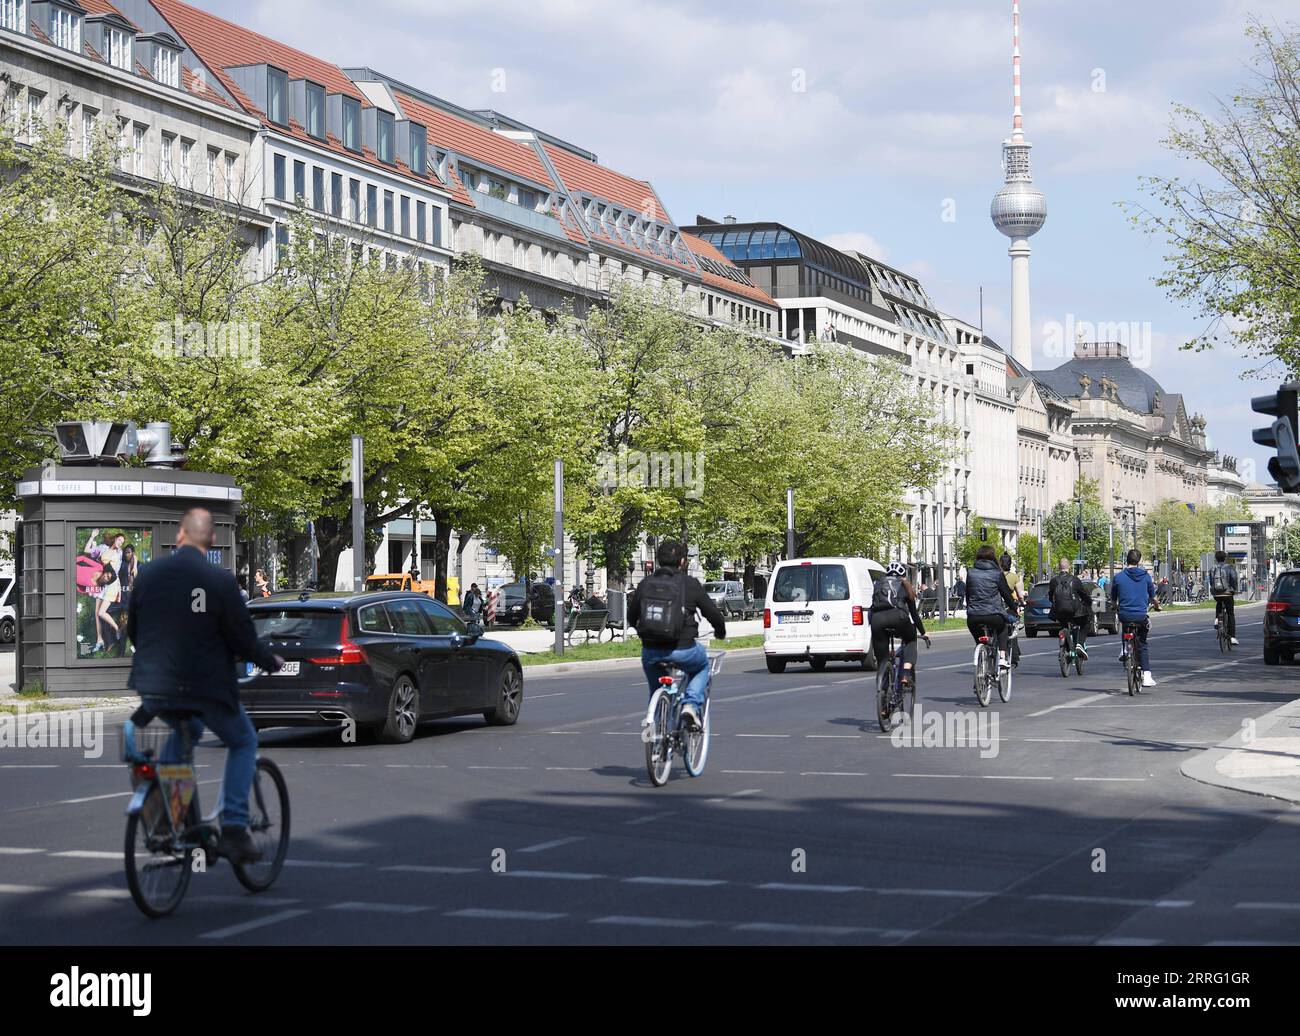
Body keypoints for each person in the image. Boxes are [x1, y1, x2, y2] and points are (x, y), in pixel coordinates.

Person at [126, 508, 284, 864]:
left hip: (155, 686)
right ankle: (233, 828)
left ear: (180, 536)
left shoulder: (148, 575)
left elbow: (134, 630)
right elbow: (243, 638)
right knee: (243, 741)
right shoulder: (219, 581)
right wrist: (268, 660)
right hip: (205, 687)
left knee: (183, 736)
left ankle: (176, 820)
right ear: (211, 540)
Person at [628, 539, 726, 730]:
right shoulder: (690, 584)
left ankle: (656, 735)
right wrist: (720, 632)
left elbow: (632, 616)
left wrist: (647, 634)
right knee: (702, 666)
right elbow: (713, 614)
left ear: (657, 560)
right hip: (683, 649)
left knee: (655, 688)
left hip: (651, 651)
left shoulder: (646, 583)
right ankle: (690, 705)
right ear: (682, 561)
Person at [868, 561, 931, 690]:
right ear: (903, 575)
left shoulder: (878, 584)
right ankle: (906, 674)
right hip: (899, 619)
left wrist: (872, 626)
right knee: (910, 639)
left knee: (882, 661)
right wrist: (923, 632)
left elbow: (872, 608)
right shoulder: (905, 585)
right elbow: (914, 615)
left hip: (877, 621)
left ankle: (883, 702)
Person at [1111, 549, 1161, 687]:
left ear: (1127, 560)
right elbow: (1153, 597)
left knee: (1125, 626)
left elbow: (1113, 598)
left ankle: (1125, 649)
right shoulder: (1146, 576)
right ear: (1138, 561)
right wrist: (1157, 606)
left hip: (1125, 614)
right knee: (1142, 644)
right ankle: (1147, 675)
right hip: (1140, 615)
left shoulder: (1118, 577)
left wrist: (1114, 606)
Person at [965, 545, 1018, 669]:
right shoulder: (997, 573)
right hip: (994, 615)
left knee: (978, 637)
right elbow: (1006, 594)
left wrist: (970, 609)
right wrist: (1014, 608)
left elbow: (968, 594)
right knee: (1003, 628)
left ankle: (981, 655)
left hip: (973, 617)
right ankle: (1003, 657)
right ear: (993, 557)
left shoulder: (971, 572)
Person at [1048, 558, 1093, 662]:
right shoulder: (1075, 580)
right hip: (1074, 613)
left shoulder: (1053, 581)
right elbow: (1083, 594)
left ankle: (1066, 646)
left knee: (1064, 624)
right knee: (1086, 622)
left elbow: (1050, 597)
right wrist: (1089, 602)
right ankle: (1080, 644)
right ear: (1069, 567)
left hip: (1059, 613)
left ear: (1059, 567)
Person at [1000, 553, 1026, 667]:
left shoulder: (996, 575)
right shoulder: (1014, 576)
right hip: (1009, 606)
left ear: (1000, 563)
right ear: (1010, 564)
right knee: (1012, 630)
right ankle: (1014, 656)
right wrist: (1021, 604)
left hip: (997, 606)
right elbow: (1020, 595)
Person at [1209, 549, 1239, 645]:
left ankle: (1217, 619)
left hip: (1216, 593)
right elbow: (1234, 579)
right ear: (1225, 558)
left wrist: (1215, 589)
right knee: (1230, 614)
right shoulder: (1229, 567)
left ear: (1216, 559)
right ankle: (1232, 637)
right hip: (1227, 593)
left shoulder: (1212, 568)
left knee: (1219, 602)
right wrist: (1234, 589)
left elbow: (1210, 581)